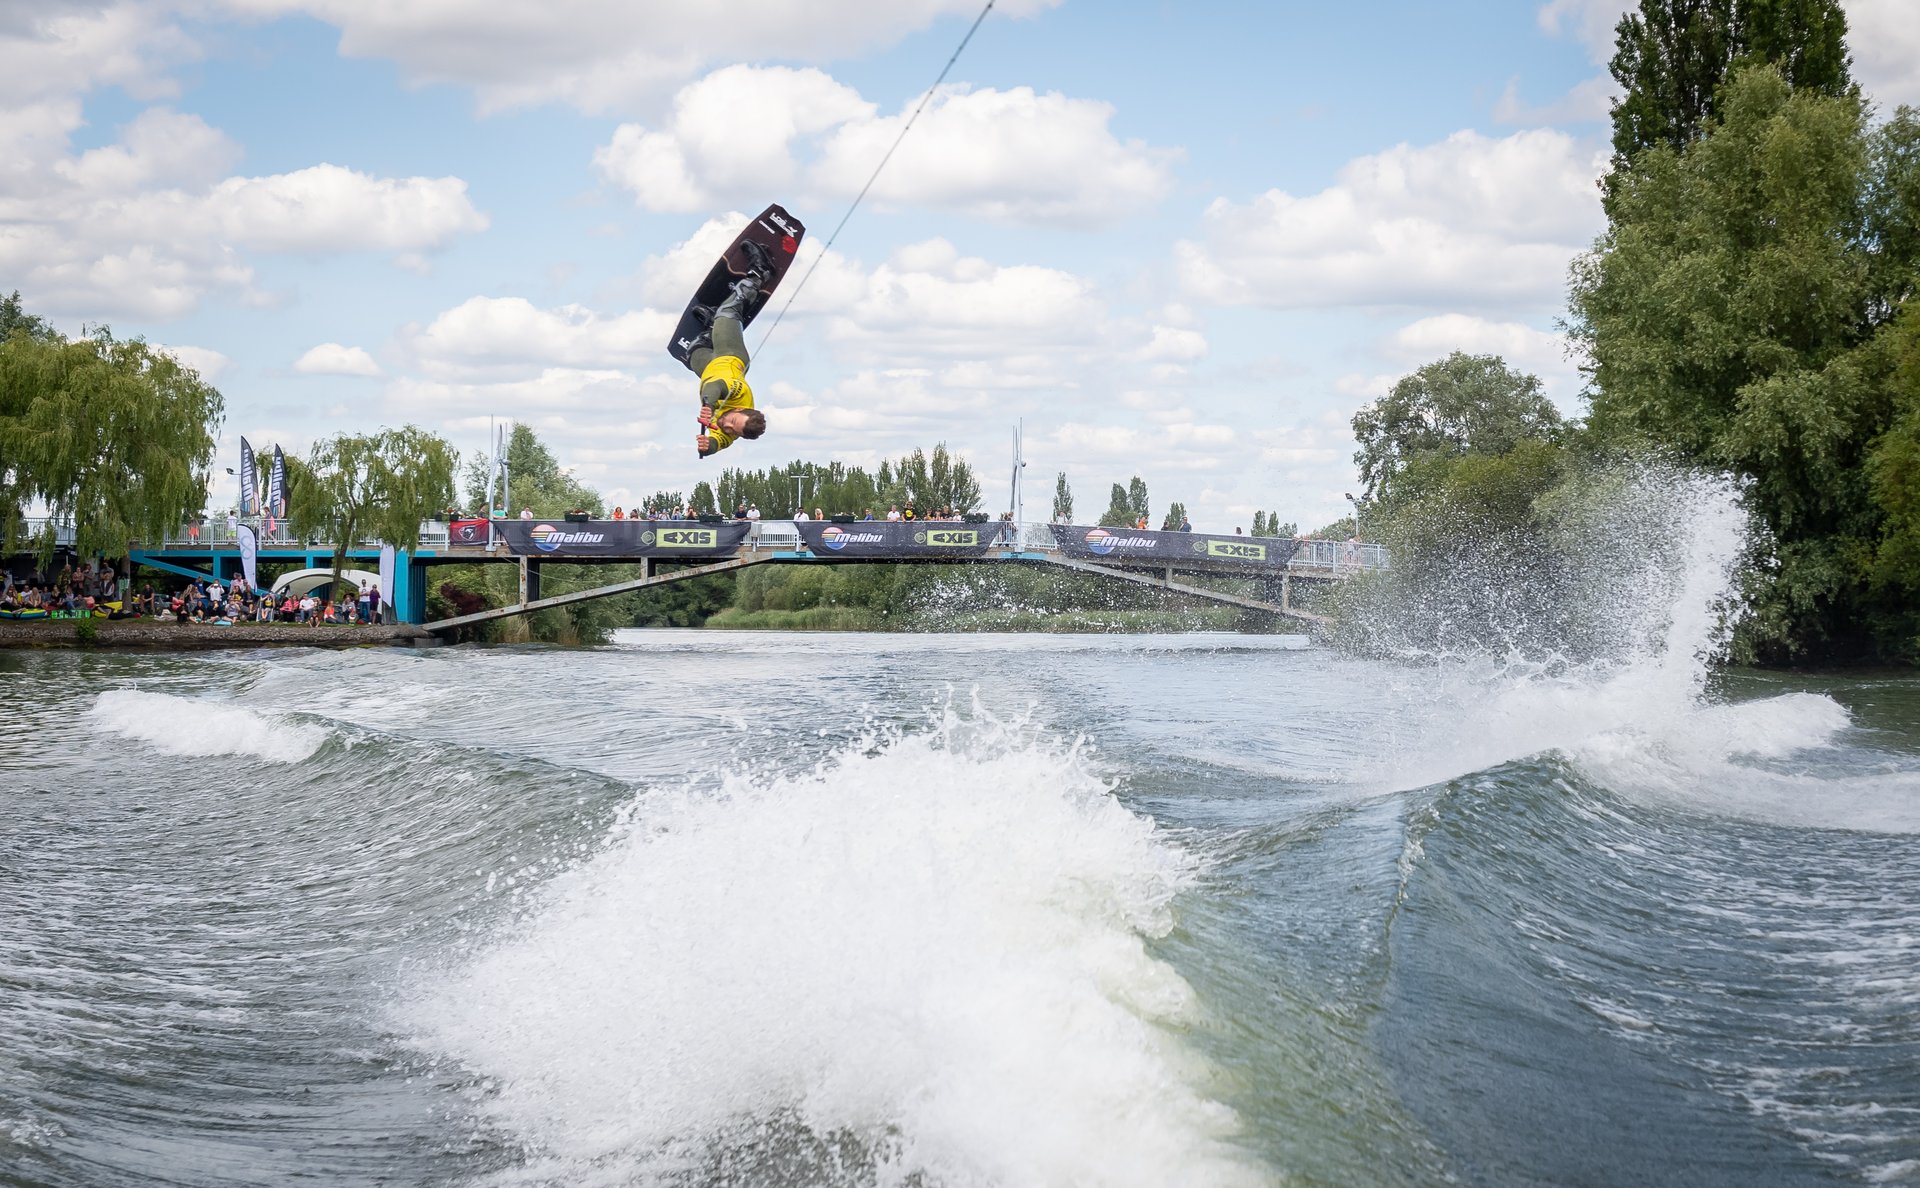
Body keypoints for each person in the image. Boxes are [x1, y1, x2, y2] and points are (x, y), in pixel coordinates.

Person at [684, 271, 770, 457]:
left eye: (732, 430)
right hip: (730, 355)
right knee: (727, 312)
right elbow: (717, 386)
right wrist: (709, 406)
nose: (726, 425)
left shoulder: (730, 434)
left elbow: (717, 443)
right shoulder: (741, 395)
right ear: (739, 409)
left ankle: (710, 324)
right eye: (733, 420)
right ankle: (758, 276)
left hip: (708, 367)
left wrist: (707, 447)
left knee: (690, 351)